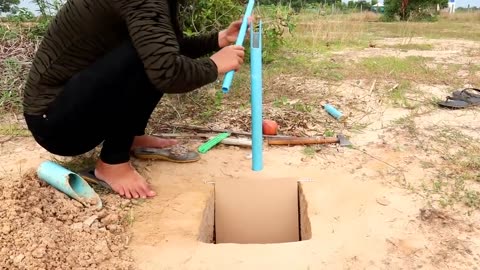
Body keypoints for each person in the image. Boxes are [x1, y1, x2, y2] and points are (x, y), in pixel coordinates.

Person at [22, 0, 249, 199]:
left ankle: (130, 138)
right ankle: (113, 162)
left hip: (72, 107)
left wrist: (218, 40)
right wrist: (213, 65)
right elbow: (167, 72)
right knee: (151, 57)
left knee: (153, 50)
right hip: (56, 123)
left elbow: (168, 46)